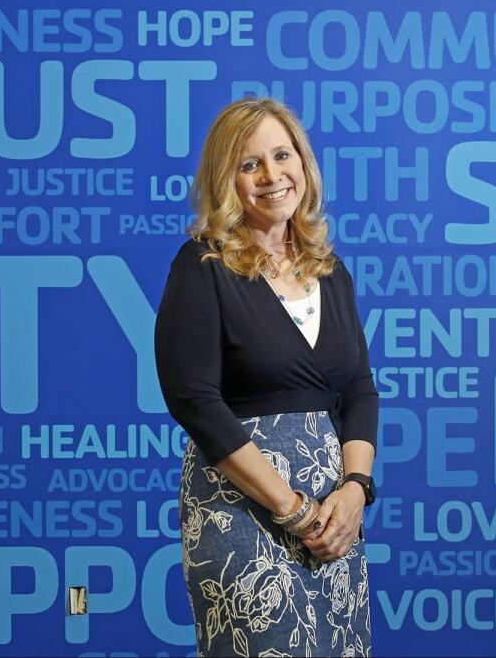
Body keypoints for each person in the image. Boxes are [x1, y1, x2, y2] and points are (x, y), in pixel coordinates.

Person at [154, 96, 378, 657]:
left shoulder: (329, 269)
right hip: (243, 514)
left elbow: (357, 390)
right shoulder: (202, 265)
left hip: (334, 519)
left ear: (304, 163)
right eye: (250, 163)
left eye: (283, 155)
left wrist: (355, 490)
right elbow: (194, 400)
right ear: (226, 179)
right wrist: (292, 509)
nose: (272, 175)